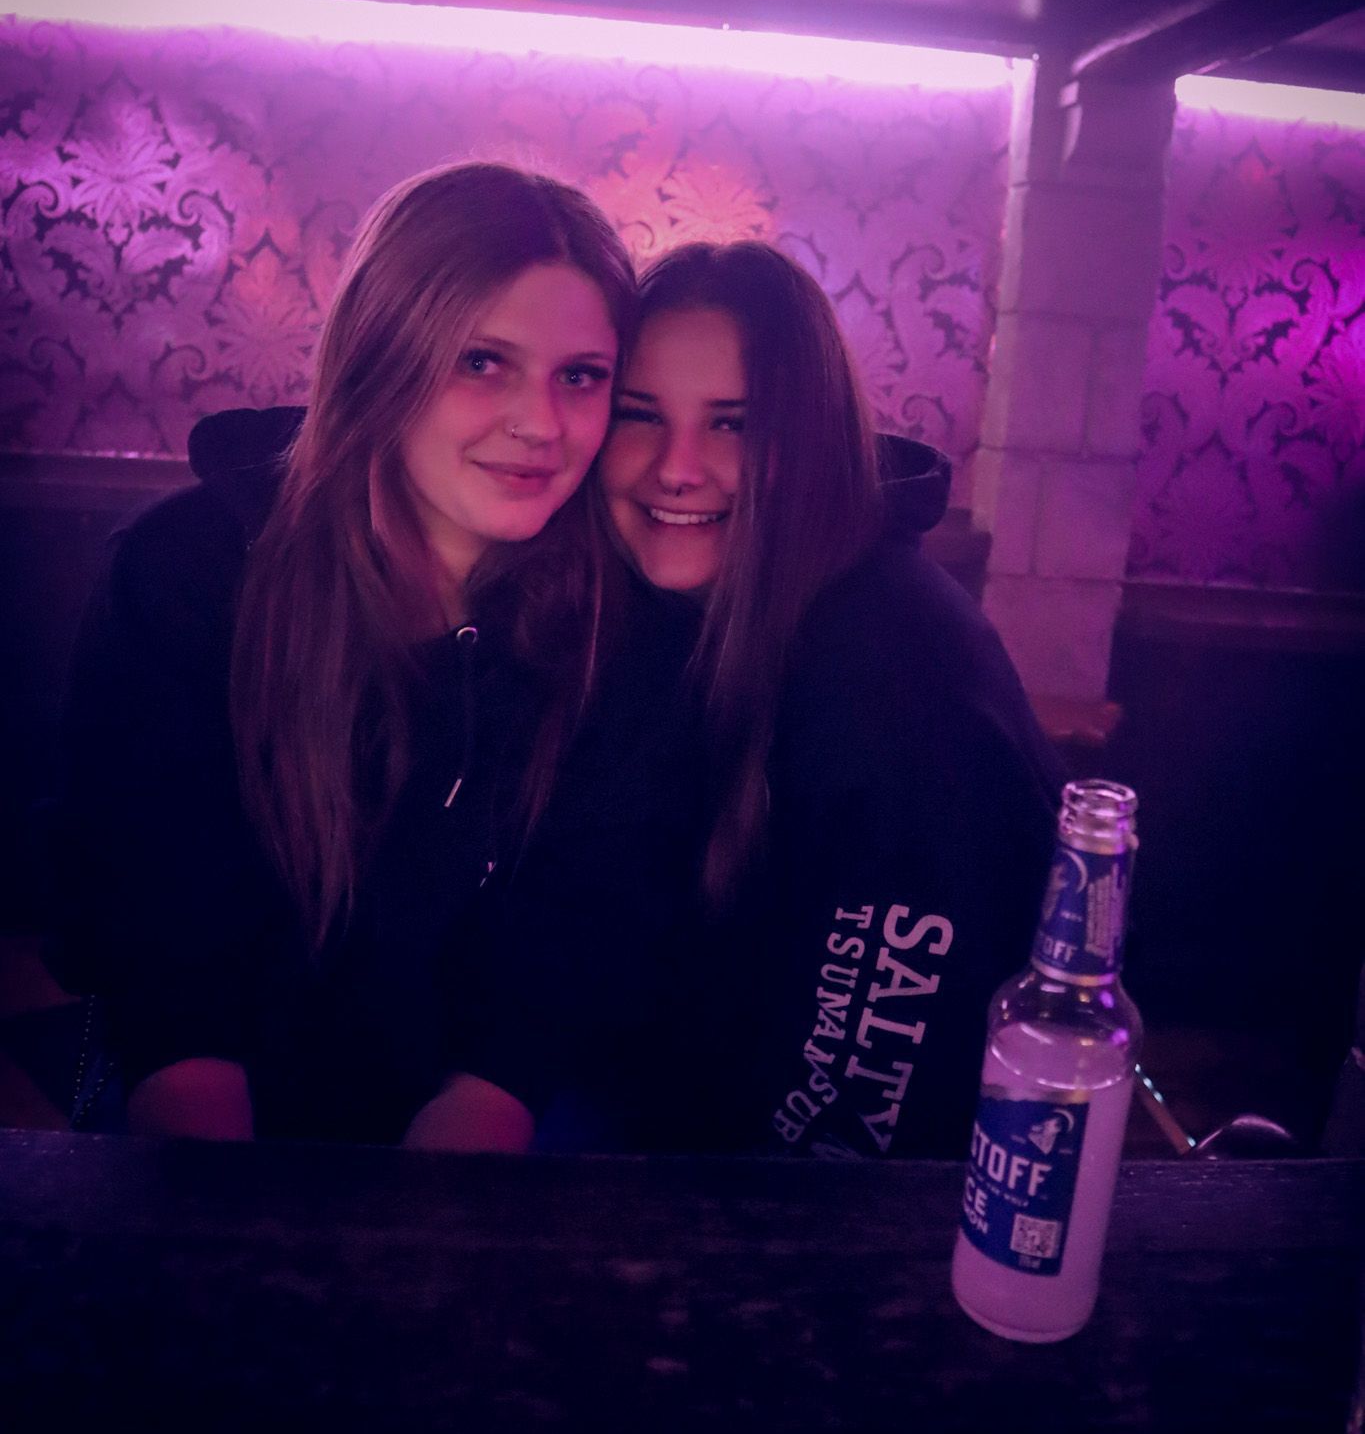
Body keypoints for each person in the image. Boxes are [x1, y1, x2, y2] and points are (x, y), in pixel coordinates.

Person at [47, 159, 652, 1148]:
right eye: (481, 361)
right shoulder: (188, 573)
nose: (541, 424)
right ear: (383, 356)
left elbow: (563, 948)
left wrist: (455, 1163)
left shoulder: (610, 619)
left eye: (579, 376)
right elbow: (156, 943)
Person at [589, 238, 1061, 1160]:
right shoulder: (672, 616)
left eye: (732, 425)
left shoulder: (890, 677)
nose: (676, 467)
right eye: (639, 415)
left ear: (808, 446)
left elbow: (858, 1113)